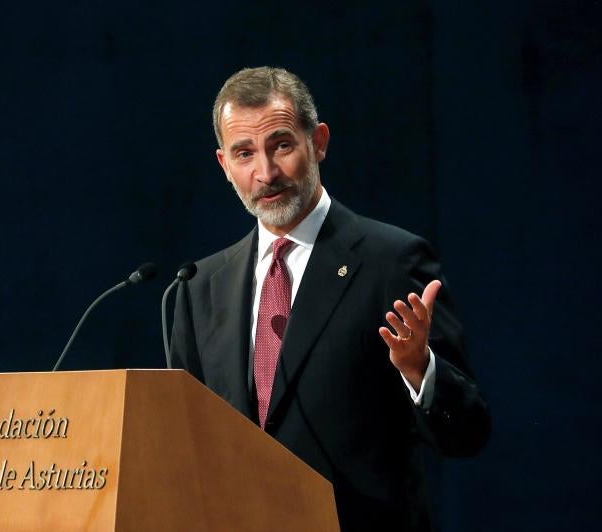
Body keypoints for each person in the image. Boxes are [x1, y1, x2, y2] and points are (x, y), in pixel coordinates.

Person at [170, 67, 491, 532]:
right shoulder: (199, 287)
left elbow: (467, 433)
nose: (265, 172)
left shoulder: (391, 261)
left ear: (317, 141)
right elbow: (187, 445)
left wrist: (419, 370)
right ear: (224, 165)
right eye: (245, 153)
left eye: (281, 145)